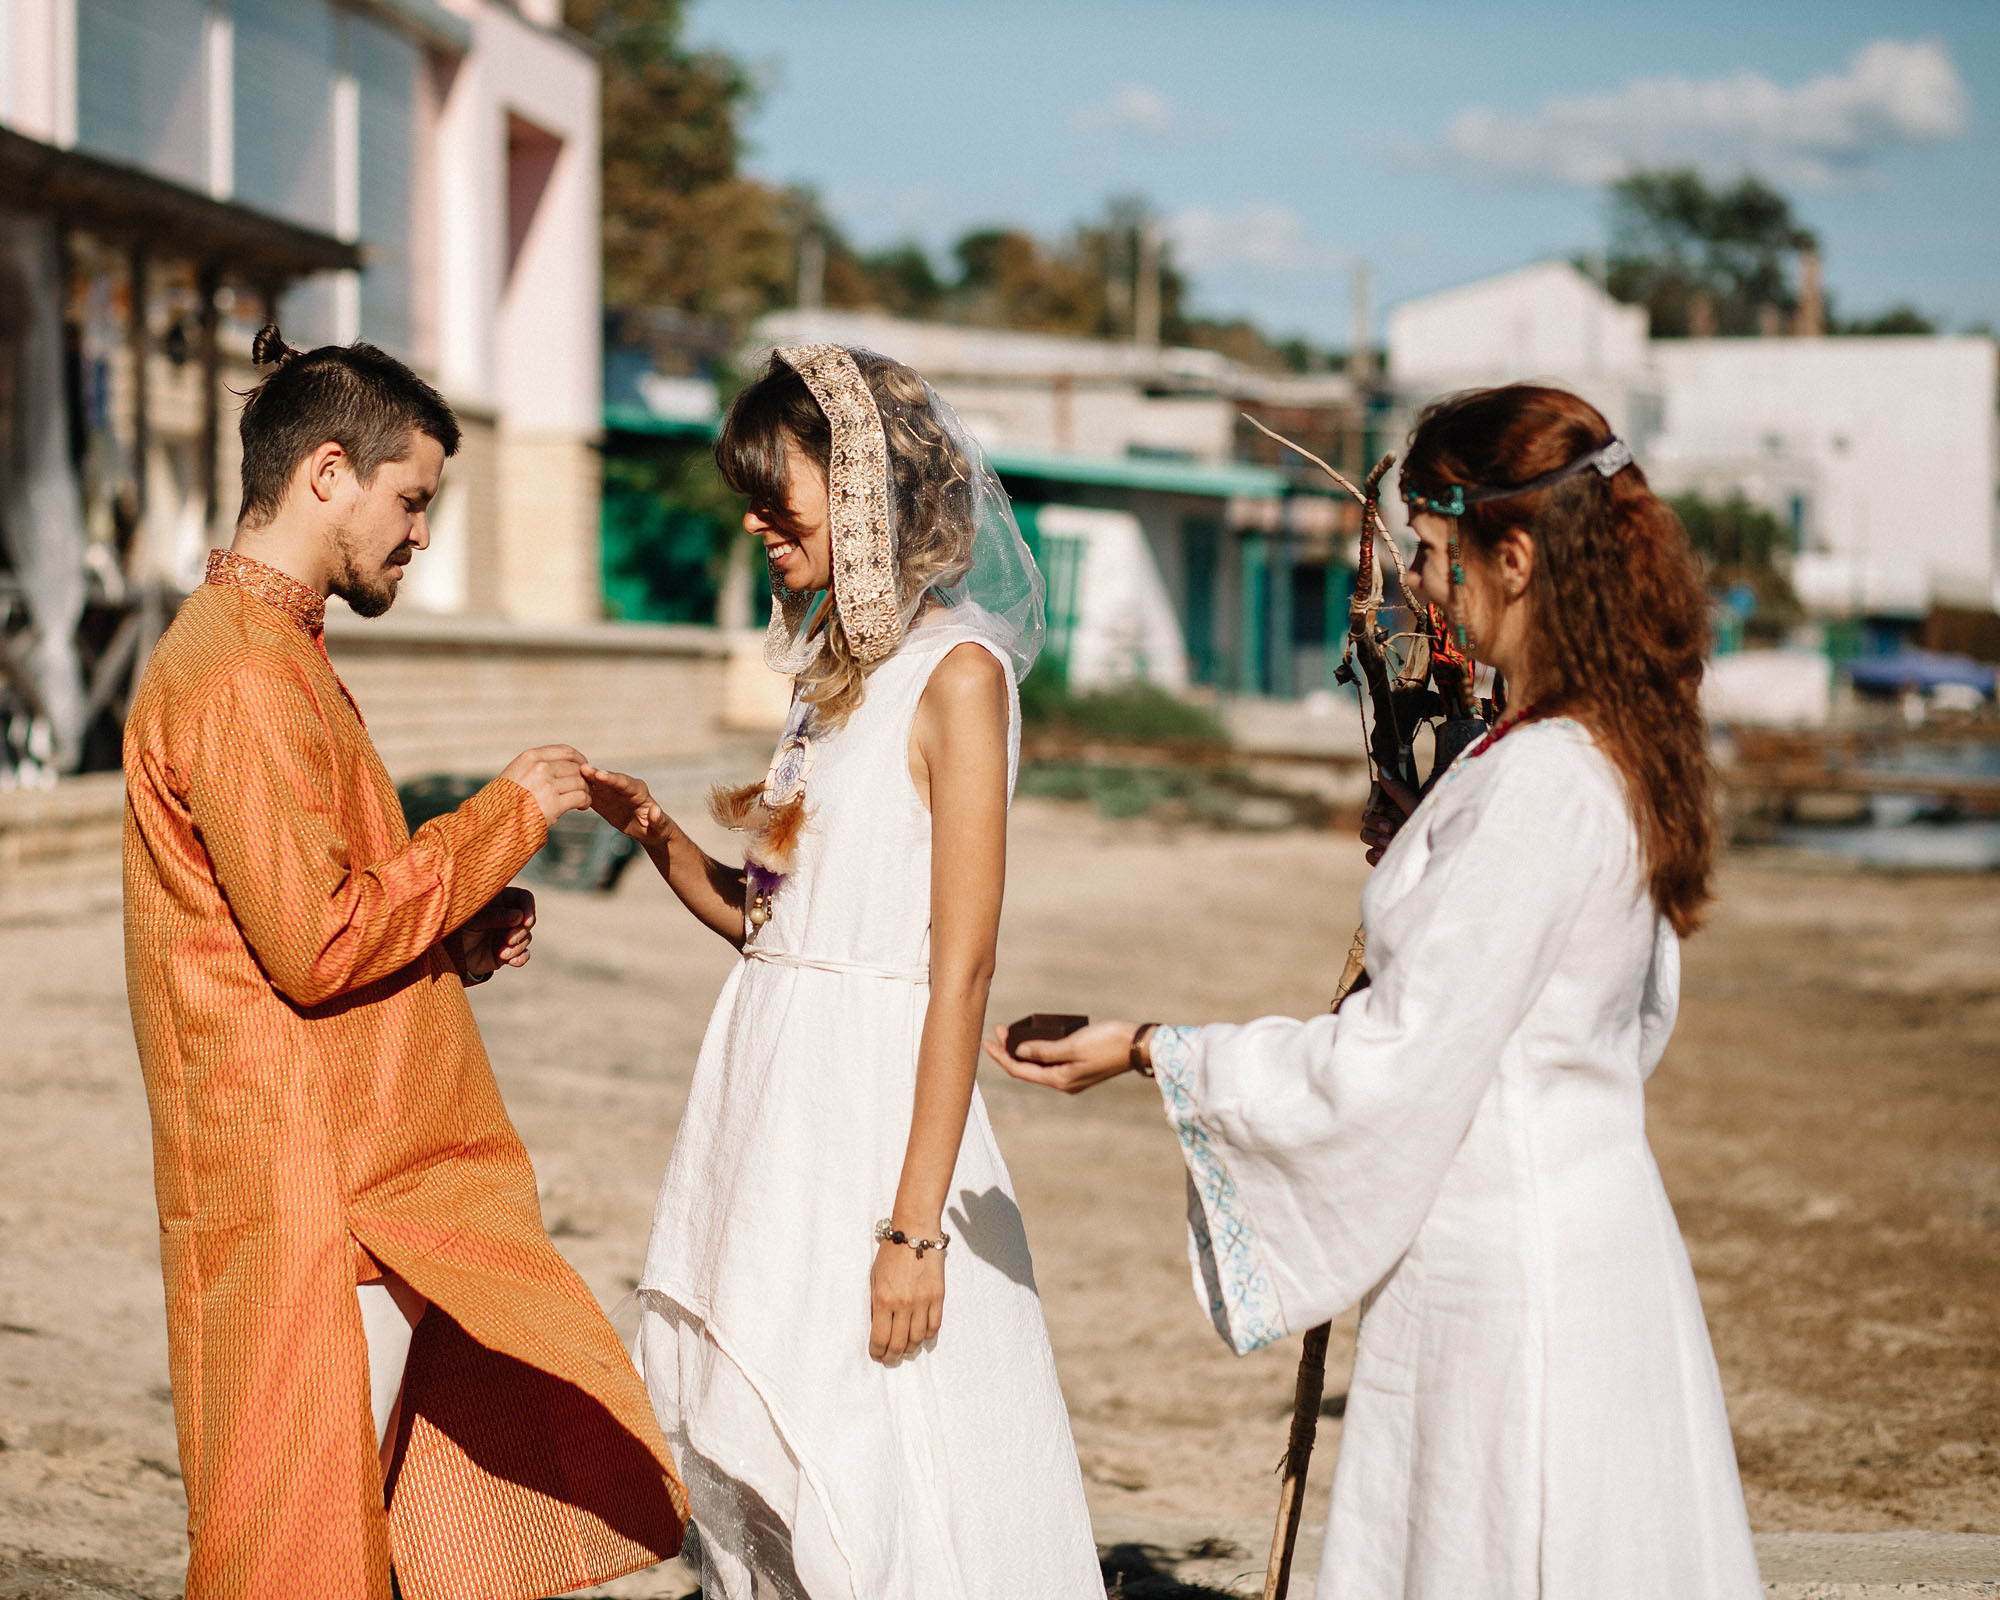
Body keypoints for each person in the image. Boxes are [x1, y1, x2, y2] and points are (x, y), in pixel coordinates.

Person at [992, 384, 1763, 1600]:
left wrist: (1154, 1048)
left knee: (1511, 1539)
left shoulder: (1543, 781)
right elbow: (1626, 1018)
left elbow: (1396, 1061)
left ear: (1517, 556)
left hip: (1513, 1275)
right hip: (1599, 1230)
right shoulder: (1610, 749)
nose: (1428, 592)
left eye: (1442, 559)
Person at [120, 327, 684, 1600]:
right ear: (328, 474)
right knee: (289, 1551)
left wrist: (451, 932)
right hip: (309, 1185)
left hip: (339, 1163)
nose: (421, 536)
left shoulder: (276, 654)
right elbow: (318, 944)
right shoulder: (244, 674)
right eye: (412, 498)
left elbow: (298, 920)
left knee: (331, 1533)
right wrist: (504, 817)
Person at [583, 346, 1103, 1599]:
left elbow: (960, 964)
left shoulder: (957, 680)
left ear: (866, 485)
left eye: (780, 492)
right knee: (774, 1456)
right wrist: (656, 833)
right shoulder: (830, 688)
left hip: (875, 1127)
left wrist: (915, 1230)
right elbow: (774, 929)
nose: (758, 524)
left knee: (883, 1454)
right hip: (771, 1109)